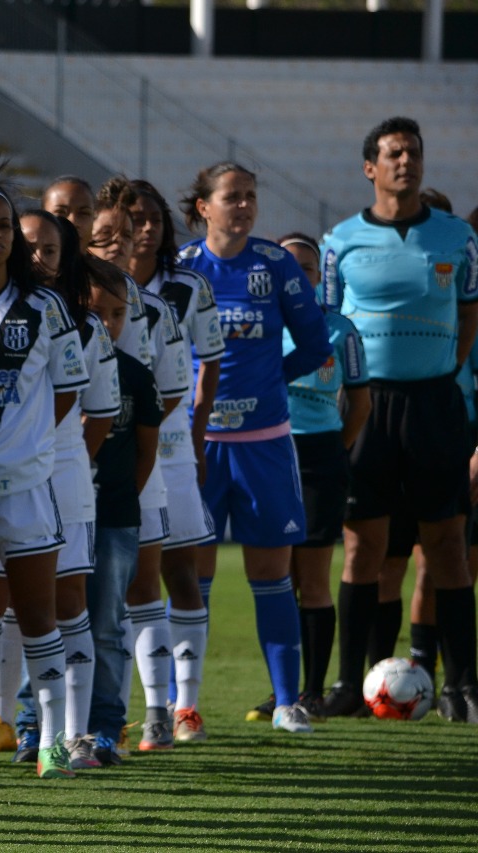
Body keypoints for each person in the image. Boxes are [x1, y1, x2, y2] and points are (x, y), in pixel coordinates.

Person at [320, 117, 478, 723]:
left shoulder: (457, 237)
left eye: (413, 152)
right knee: (363, 545)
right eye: (393, 153)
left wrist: (442, 369)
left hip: (435, 405)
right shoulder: (340, 241)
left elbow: (470, 315)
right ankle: (347, 685)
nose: (405, 161)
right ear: (371, 168)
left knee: (447, 546)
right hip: (369, 405)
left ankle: (462, 685)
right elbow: (328, 324)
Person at [178, 161, 332, 734]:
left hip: (264, 444)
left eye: (249, 196)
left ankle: (288, 702)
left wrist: (271, 381)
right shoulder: (182, 268)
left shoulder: (276, 264)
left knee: (272, 573)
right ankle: (182, 707)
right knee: (191, 577)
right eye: (231, 197)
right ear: (204, 207)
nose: (243, 205)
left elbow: (315, 343)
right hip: (197, 445)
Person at [0, 162, 89, 780]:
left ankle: (54, 742)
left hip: (27, 488)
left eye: (4, 225)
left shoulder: (46, 307)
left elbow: (67, 390)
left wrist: (22, 444)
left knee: (37, 617)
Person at [241, 232, 369, 723]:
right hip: (267, 453)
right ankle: (284, 692)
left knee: (313, 580)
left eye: (307, 267)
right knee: (279, 579)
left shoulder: (339, 330)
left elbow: (360, 402)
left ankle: (312, 693)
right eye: (288, 265)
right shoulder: (256, 324)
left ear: (317, 277)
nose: (297, 275)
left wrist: (334, 450)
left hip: (319, 459)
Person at [91, 178, 190, 750]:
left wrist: (127, 435)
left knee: (138, 586)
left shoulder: (153, 309)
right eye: (103, 235)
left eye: (124, 236)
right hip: (67, 469)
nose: (116, 244)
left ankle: (154, 711)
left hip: (134, 467)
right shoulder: (61, 301)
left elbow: (170, 390)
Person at [21, 210, 120, 770]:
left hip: (62, 473)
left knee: (68, 601)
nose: (38, 258)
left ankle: (74, 735)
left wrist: (68, 456)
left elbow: (100, 411)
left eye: (51, 250)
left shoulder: (85, 327)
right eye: (29, 246)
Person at [125, 178, 222, 735]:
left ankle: (184, 705)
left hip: (171, 447)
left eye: (154, 220)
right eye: (135, 219)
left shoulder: (187, 287)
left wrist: (198, 435)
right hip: (113, 450)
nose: (145, 229)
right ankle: (115, 708)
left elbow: (210, 364)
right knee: (119, 577)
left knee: (182, 572)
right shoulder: (92, 286)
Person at [83, 256, 163, 765]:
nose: (108, 324)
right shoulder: (55, 363)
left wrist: (120, 496)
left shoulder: (135, 375)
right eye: (97, 312)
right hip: (60, 517)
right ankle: (35, 725)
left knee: (108, 623)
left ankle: (107, 726)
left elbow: (146, 451)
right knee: (46, 620)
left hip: (115, 516)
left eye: (117, 314)